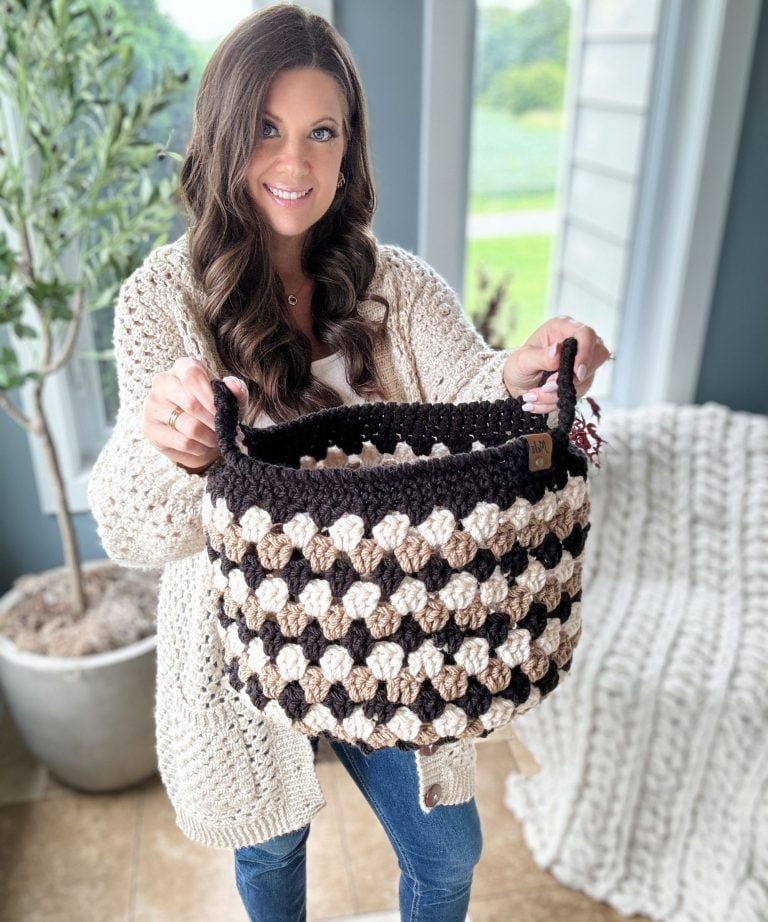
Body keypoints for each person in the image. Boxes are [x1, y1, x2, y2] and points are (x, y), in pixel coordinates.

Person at [88, 5, 611, 921]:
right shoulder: (160, 301)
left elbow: (466, 392)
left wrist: (520, 375)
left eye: (321, 132)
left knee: (447, 855)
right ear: (223, 135)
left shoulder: (394, 283)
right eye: (266, 129)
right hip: (243, 646)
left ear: (349, 148)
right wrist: (171, 447)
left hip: (401, 621)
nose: (294, 162)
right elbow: (130, 526)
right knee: (271, 847)